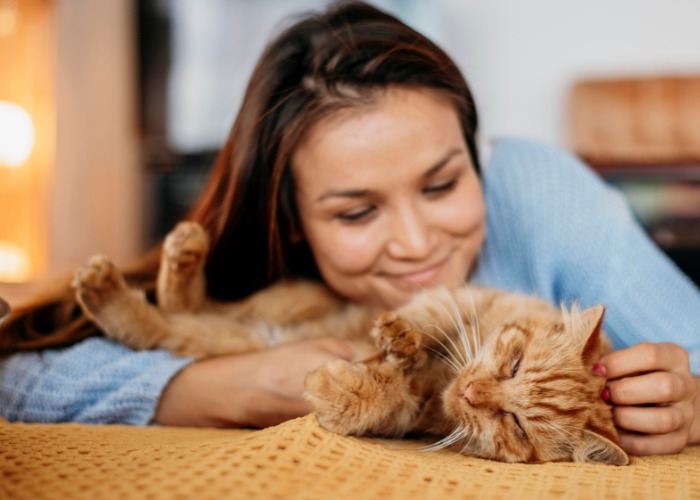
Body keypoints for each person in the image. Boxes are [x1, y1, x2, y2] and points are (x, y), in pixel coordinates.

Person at [1, 0, 699, 456]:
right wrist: (223, 385)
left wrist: (691, 403)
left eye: (442, 183)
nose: (418, 242)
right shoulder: (263, 261)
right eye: (357, 212)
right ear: (292, 220)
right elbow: (17, 375)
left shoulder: (537, 191)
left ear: (474, 154)